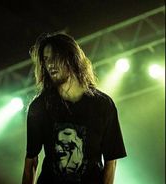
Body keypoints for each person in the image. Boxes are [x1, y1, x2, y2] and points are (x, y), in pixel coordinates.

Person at [22, 32, 127, 184]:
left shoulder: (103, 105)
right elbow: (31, 161)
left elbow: (111, 162)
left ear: (72, 57)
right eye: (46, 59)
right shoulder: (39, 107)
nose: (50, 64)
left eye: (55, 57)